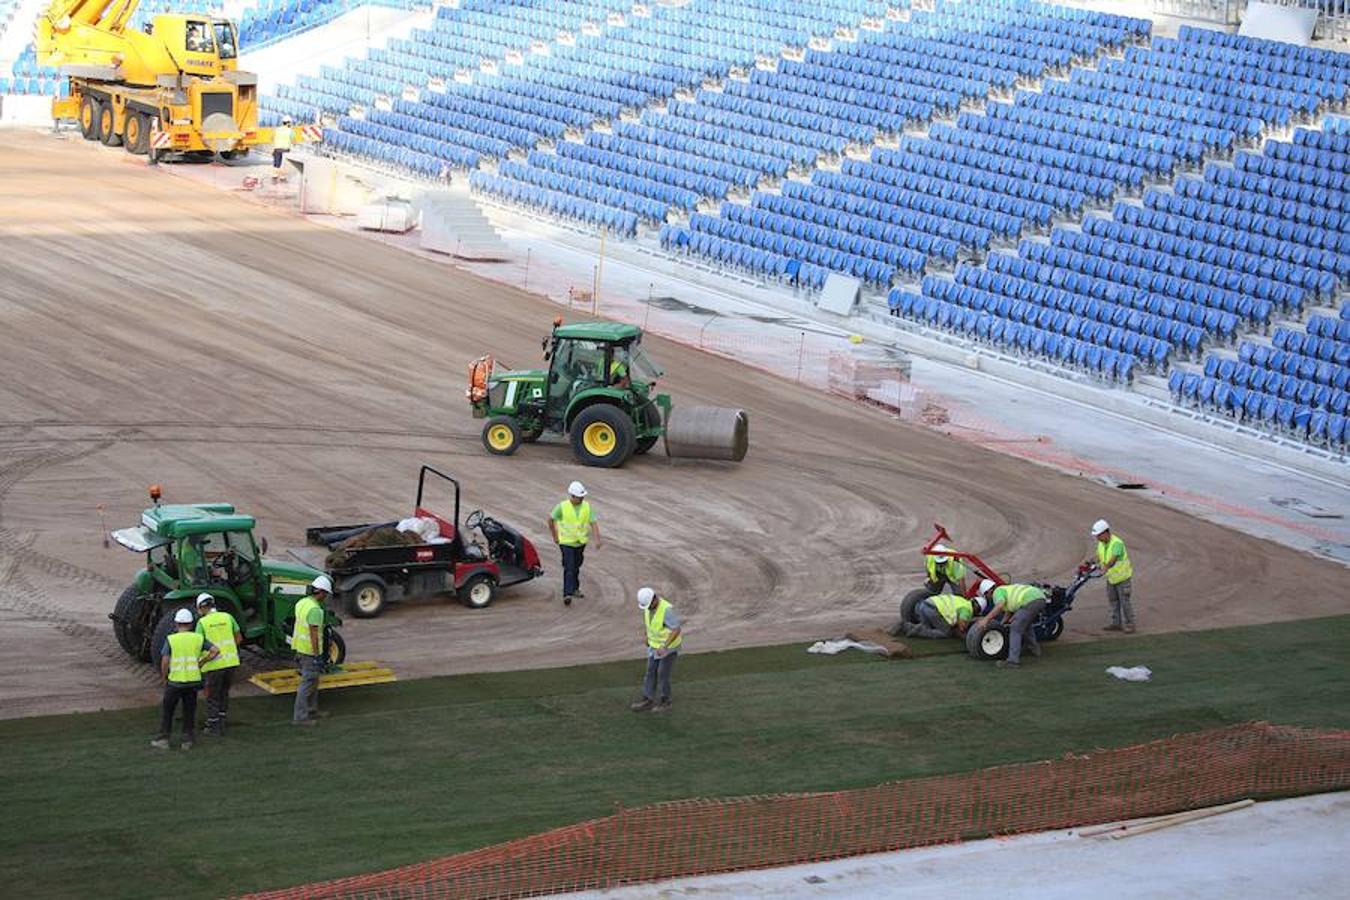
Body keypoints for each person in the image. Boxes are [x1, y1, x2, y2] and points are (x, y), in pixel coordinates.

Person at [151, 608, 219, 750]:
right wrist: (202, 662)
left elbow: (165, 660)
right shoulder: (198, 638)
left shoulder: (171, 639)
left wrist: (164, 677)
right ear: (191, 623)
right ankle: (187, 740)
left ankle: (163, 739)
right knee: (189, 711)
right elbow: (215, 650)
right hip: (193, 682)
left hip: (175, 682)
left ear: (176, 623)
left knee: (168, 710)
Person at [195, 593, 241, 737]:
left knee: (212, 695)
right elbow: (239, 638)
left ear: (201, 608)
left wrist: (200, 662)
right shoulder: (228, 617)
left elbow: (198, 644)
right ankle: (221, 719)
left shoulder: (202, 623)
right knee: (224, 692)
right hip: (231, 663)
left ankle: (213, 726)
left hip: (213, 665)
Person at [975, 579, 1047, 669]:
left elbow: (1000, 606)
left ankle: (1013, 661)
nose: (987, 597)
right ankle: (1034, 649)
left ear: (989, 591)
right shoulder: (1005, 590)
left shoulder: (997, 592)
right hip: (1039, 598)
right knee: (1025, 625)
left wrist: (986, 619)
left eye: (986, 595)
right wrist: (1001, 624)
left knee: (1015, 628)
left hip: (1030, 600)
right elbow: (1009, 611)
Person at [630, 587, 681, 713]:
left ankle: (666, 701)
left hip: (668, 648)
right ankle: (648, 699)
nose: (647, 608)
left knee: (663, 674)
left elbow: (676, 629)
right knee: (650, 671)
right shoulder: (649, 608)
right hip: (654, 647)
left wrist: (665, 646)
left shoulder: (666, 610)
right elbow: (650, 624)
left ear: (654, 599)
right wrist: (646, 637)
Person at [549, 481, 599, 606]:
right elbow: (550, 520)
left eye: (583, 497)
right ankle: (567, 593)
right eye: (579, 497)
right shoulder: (562, 507)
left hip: (580, 543)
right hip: (566, 542)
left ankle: (575, 588)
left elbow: (593, 523)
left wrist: (597, 539)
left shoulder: (587, 507)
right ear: (572, 496)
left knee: (576, 565)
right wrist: (555, 536)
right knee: (569, 567)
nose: (582, 499)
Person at [291, 575, 331, 727]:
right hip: (309, 651)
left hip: (300, 648)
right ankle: (300, 717)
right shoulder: (315, 610)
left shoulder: (302, 603)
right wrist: (316, 655)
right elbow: (314, 634)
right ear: (320, 592)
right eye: (325, 593)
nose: (326, 597)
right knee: (307, 683)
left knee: (313, 681)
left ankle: (311, 710)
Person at [1087, 519, 1134, 633]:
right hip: (1111, 578)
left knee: (1124, 602)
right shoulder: (1101, 544)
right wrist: (1090, 562)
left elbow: (1113, 559)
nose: (1097, 538)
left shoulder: (1117, 543)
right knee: (1113, 601)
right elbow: (1099, 556)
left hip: (1122, 578)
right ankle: (1116, 623)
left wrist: (1105, 568)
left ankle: (1130, 624)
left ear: (1105, 533)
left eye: (1098, 535)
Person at [902, 593, 985, 640]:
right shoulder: (967, 609)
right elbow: (961, 627)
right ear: (977, 609)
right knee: (945, 633)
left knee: (930, 628)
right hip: (933, 610)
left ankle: (909, 626)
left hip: (924, 604)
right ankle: (915, 629)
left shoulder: (962, 600)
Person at [272, 116, 293, 182]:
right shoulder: (290, 131)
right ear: (288, 123)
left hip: (277, 149)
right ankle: (282, 177)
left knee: (276, 163)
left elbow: (272, 138)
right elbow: (294, 140)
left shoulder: (277, 129)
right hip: (285, 150)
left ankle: (274, 176)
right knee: (284, 164)